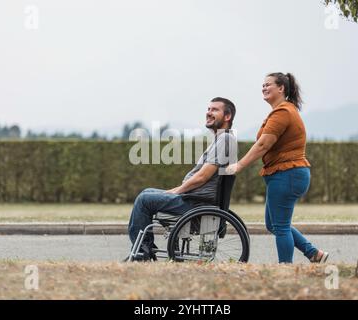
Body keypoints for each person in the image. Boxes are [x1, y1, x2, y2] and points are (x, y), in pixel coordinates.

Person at [226, 72, 329, 264]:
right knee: (273, 224)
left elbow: (263, 144)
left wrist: (239, 165)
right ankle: (314, 254)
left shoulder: (283, 112)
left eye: (268, 85)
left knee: (280, 226)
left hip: (287, 174)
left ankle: (285, 268)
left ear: (281, 88)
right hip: (285, 174)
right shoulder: (283, 110)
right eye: (262, 85)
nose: (264, 88)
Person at [127, 97, 237, 261]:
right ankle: (146, 248)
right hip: (195, 200)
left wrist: (177, 191)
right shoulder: (221, 139)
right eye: (208, 109)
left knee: (144, 199)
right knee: (147, 192)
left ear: (227, 117)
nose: (208, 112)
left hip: (196, 203)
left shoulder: (225, 139)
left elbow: (202, 176)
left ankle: (143, 252)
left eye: (214, 110)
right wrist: (176, 191)